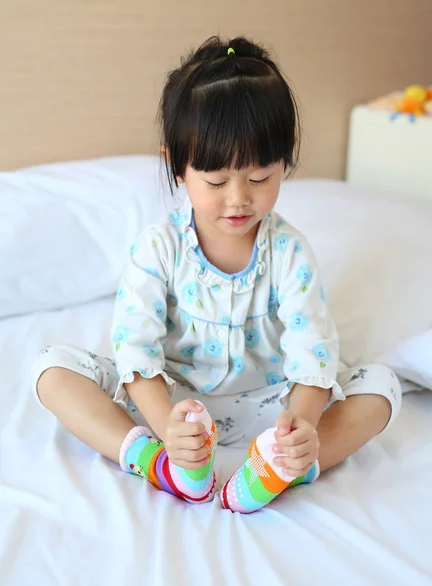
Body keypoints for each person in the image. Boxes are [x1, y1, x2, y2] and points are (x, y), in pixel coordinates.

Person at [33, 36, 401, 514]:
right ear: (177, 166)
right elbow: (135, 348)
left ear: (284, 160)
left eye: (259, 178)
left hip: (272, 407)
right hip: (174, 404)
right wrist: (168, 428)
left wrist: (301, 425)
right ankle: (163, 465)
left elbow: (313, 350)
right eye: (216, 181)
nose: (238, 199)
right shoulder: (158, 248)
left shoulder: (288, 251)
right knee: (52, 368)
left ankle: (281, 467)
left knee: (381, 387)